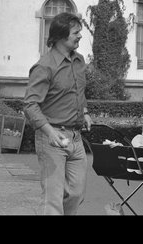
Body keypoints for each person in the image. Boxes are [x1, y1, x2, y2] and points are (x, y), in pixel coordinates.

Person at [24, 12, 92, 215]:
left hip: (76, 138)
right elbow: (30, 105)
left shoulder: (78, 61)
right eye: (76, 32)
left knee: (76, 193)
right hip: (52, 138)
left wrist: (85, 111)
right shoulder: (44, 66)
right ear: (61, 36)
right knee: (52, 199)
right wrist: (49, 132)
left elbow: (79, 92)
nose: (80, 36)